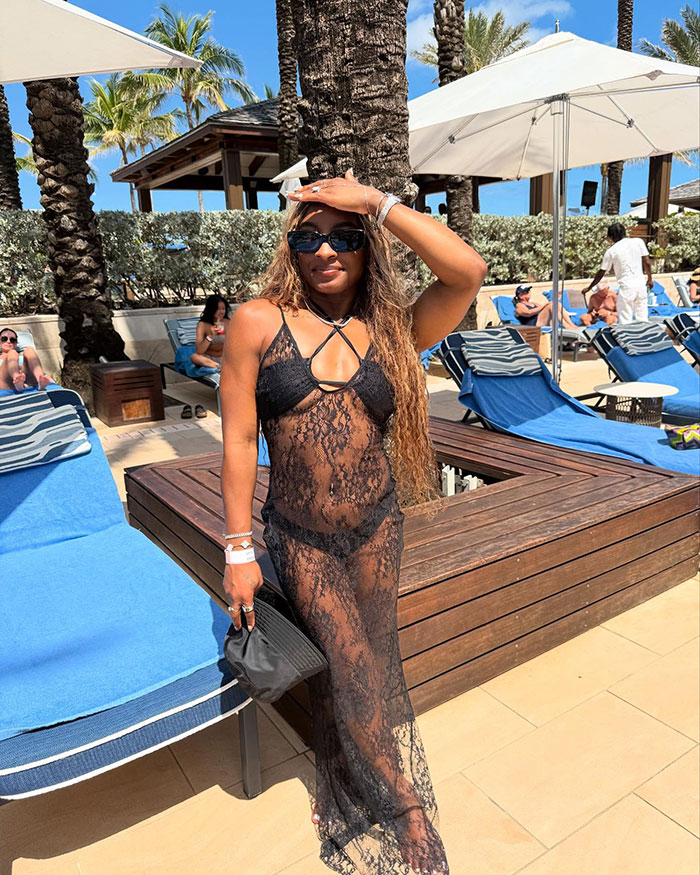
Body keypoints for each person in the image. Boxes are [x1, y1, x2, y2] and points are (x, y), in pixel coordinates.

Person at [219, 169, 486, 875]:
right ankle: (407, 805)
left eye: (344, 236)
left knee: (369, 658)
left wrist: (376, 201)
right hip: (300, 535)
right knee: (353, 662)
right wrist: (238, 547)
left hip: (377, 524)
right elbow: (241, 440)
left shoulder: (392, 327)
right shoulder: (257, 320)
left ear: (367, 245)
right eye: (308, 235)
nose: (325, 249)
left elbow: (467, 271)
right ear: (290, 245)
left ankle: (343, 778)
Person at [584, 223, 653, 324]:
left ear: (611, 237)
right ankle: (644, 337)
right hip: (641, 285)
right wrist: (650, 279)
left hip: (627, 287)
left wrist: (589, 287)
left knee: (625, 319)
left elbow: (601, 273)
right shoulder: (638, 242)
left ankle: (628, 338)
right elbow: (647, 262)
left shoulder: (611, 251)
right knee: (642, 317)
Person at [0, 328, 54, 395]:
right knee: (12, 353)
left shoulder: (22, 357)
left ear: (16, 343)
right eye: (4, 339)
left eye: (12, 340)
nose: (8, 341)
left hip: (27, 382)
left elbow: (31, 369)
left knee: (30, 349)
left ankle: (40, 381)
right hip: (5, 384)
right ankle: (16, 378)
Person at [191, 294, 230, 370]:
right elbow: (199, 351)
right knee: (194, 357)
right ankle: (217, 367)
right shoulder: (203, 325)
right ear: (211, 309)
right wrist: (210, 335)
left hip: (225, 358)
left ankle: (222, 366)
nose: (222, 312)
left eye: (223, 309)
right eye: (218, 309)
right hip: (209, 360)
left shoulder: (228, 323)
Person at [513, 285, 578, 329]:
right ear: (521, 296)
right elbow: (528, 313)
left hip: (541, 322)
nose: (529, 292)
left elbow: (545, 308)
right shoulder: (519, 305)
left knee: (557, 304)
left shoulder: (533, 303)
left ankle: (571, 325)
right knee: (551, 306)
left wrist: (550, 304)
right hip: (534, 325)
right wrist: (546, 304)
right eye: (527, 292)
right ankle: (566, 326)